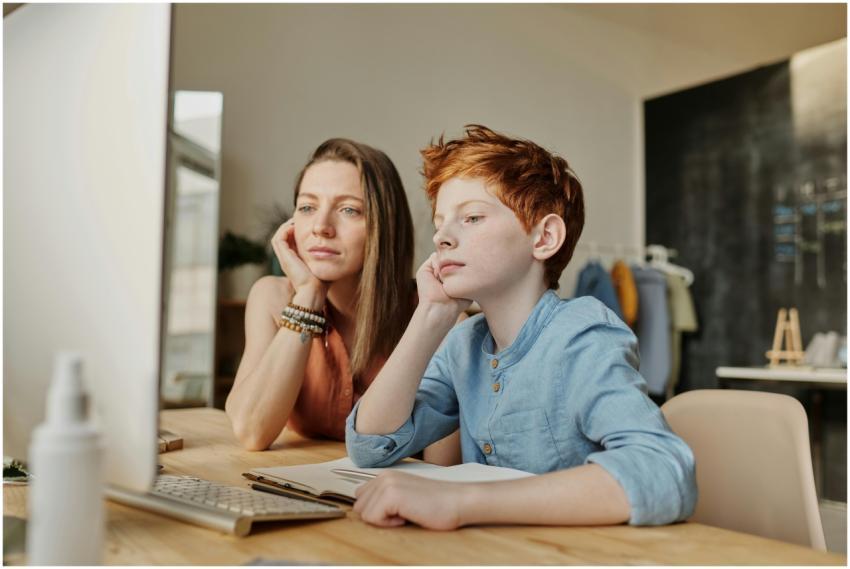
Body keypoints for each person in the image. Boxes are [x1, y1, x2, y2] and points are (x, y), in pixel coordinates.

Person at [345, 125, 697, 530]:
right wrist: (430, 316)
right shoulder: (463, 343)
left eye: (472, 217)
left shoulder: (581, 334)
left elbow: (663, 470)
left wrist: (463, 502)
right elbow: (369, 445)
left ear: (544, 237)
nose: (442, 237)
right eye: (440, 222)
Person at [225, 138, 460, 464]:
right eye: (307, 207)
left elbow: (442, 470)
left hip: (393, 500)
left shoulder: (436, 315)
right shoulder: (272, 297)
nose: (321, 227)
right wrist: (307, 296)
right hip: (294, 485)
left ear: (384, 225)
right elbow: (251, 431)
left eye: (348, 209)